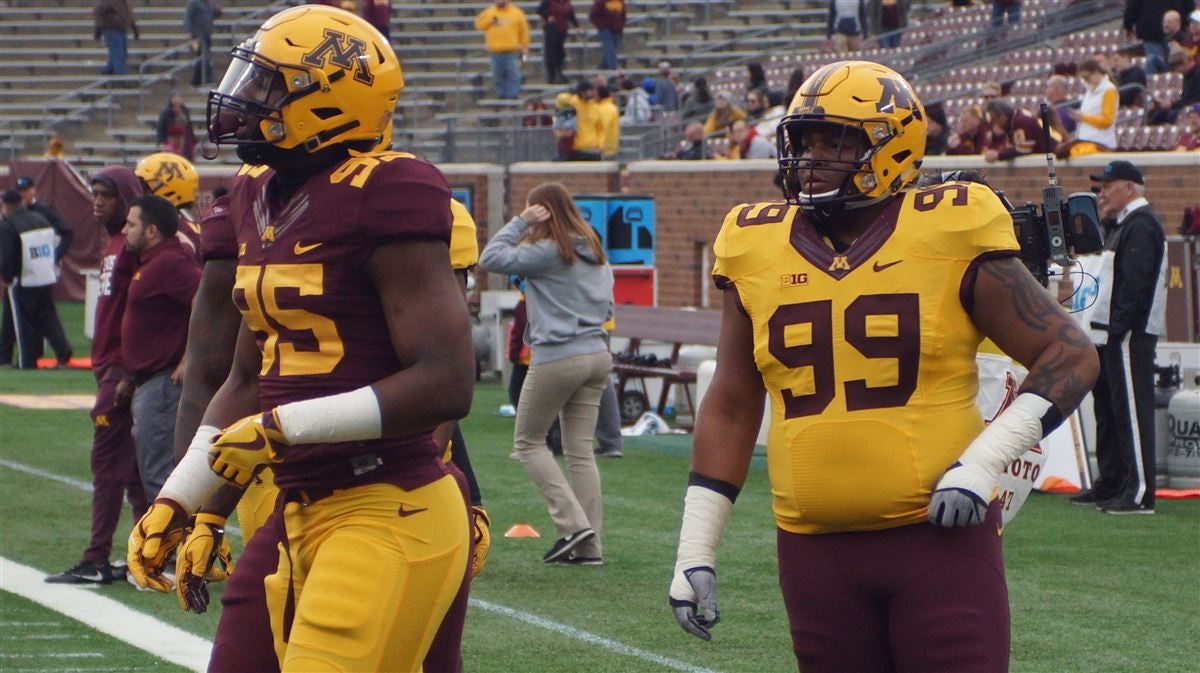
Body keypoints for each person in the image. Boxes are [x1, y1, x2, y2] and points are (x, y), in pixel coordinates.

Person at [666, 61, 1099, 672]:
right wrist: (695, 547)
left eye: (835, 141)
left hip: (937, 546)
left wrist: (981, 464)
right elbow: (734, 403)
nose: (812, 157)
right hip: (813, 554)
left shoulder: (951, 223)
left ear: (892, 146)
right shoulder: (752, 242)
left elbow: (1071, 354)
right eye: (805, 140)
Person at [125, 6, 476, 671]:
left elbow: (446, 380)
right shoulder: (256, 197)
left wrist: (285, 427)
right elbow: (247, 380)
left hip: (386, 503)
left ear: (330, 100)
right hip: (296, 507)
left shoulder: (388, 189)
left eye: (267, 85)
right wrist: (184, 499)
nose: (242, 98)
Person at [479, 181, 614, 565]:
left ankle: (573, 525)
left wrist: (520, 221)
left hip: (558, 356)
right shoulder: (597, 252)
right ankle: (590, 547)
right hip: (597, 353)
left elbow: (490, 258)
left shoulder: (551, 250)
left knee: (528, 442)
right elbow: (607, 310)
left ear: (543, 213)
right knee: (580, 452)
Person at [45, 166, 148, 584]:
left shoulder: (135, 246)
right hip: (109, 367)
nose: (97, 202)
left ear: (125, 197)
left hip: (121, 372)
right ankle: (151, 552)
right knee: (136, 473)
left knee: (108, 466)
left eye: (106, 194)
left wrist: (127, 368)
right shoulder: (115, 245)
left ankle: (96, 559)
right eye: (94, 194)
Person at [1071, 161, 1167, 515]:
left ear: (1128, 188)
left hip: (1129, 335)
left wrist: (1119, 328)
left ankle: (1139, 492)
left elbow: (1136, 286)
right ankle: (1112, 482)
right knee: (1111, 411)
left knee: (1132, 413)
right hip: (1112, 333)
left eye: (1107, 186)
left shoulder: (1140, 225)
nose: (1101, 193)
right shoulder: (1121, 225)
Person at [120, 195, 201, 501]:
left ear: (151, 231)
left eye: (131, 224)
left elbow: (205, 300)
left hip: (162, 386)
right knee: (153, 477)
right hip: (148, 384)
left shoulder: (170, 263)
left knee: (160, 480)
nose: (125, 230)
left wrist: (189, 357)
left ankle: (177, 549)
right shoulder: (153, 262)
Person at [0, 192, 72, 370]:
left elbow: (8, 255)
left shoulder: (9, 225)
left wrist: (6, 276)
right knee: (48, 317)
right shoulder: (40, 219)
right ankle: (63, 351)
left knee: (22, 322)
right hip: (45, 276)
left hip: (24, 279)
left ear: (6, 206)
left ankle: (27, 361)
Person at [134, 152, 203, 258]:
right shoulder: (190, 227)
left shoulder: (169, 232)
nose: (139, 194)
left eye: (144, 187)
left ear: (167, 191)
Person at [475, 0, 530, 99]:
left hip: (511, 51)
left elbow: (523, 31)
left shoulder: (517, 13)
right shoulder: (488, 12)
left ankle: (513, 95)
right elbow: (478, 25)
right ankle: (501, 95)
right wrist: (489, 22)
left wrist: (524, 46)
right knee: (497, 75)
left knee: (513, 74)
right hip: (495, 51)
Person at [1063, 58, 1118, 156]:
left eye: (1087, 78)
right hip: (1086, 140)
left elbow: (1107, 121)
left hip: (1100, 143)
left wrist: (1083, 117)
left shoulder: (1109, 90)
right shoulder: (1089, 91)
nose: (1086, 81)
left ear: (1096, 73)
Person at [1124, 0, 1195, 74]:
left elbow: (1132, 7)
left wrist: (1128, 26)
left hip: (1152, 31)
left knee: (1159, 65)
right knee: (1170, 64)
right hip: (1156, 32)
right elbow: (1190, 6)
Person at [983, 98, 1056, 161]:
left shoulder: (1022, 121)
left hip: (1052, 160)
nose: (993, 124)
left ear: (1002, 117)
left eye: (993, 119)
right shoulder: (1012, 124)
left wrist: (998, 155)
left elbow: (1024, 149)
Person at [538, 0, 578, 84]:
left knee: (560, 54)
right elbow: (539, 10)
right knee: (551, 54)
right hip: (551, 30)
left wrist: (577, 25)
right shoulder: (548, 1)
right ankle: (552, 76)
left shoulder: (566, 2)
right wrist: (547, 17)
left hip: (562, 31)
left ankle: (560, 74)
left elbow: (571, 14)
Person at [93, 0, 138, 75]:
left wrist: (135, 30)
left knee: (120, 53)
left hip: (121, 29)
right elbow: (98, 13)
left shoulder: (125, 3)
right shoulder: (108, 2)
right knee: (118, 54)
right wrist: (98, 30)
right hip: (111, 29)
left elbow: (129, 16)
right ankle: (122, 75)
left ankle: (107, 71)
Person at [184, 0, 218, 87]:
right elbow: (188, 18)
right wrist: (189, 34)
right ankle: (205, 80)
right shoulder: (193, 3)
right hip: (197, 36)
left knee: (203, 57)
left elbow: (212, 16)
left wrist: (218, 11)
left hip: (207, 35)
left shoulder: (210, 4)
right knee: (203, 56)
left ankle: (196, 81)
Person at [155, 93, 197, 161]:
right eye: (175, 98)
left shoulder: (184, 111)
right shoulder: (166, 112)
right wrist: (161, 142)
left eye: (178, 98)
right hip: (172, 138)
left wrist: (194, 140)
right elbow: (161, 128)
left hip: (185, 137)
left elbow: (189, 126)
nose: (177, 100)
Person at [589, 0, 625, 70]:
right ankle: (613, 66)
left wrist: (621, 26)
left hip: (617, 29)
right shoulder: (601, 2)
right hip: (605, 29)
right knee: (609, 47)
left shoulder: (620, 2)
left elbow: (623, 14)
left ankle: (602, 66)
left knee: (614, 47)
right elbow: (593, 15)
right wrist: (601, 26)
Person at [597, 84, 621, 157]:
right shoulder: (611, 107)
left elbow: (603, 128)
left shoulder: (605, 109)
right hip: (610, 148)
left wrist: (600, 145)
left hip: (606, 151)